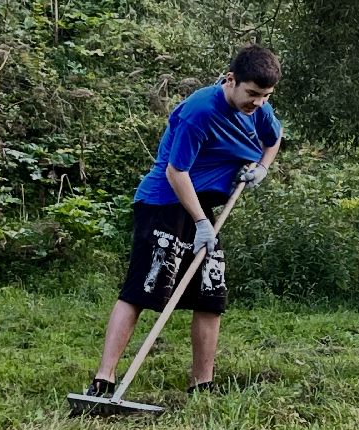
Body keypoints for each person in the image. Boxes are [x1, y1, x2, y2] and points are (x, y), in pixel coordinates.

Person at [84, 44, 282, 396]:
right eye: (252, 94)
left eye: (265, 96)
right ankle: (104, 379)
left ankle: (202, 383)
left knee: (210, 292)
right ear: (231, 79)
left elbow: (273, 137)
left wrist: (262, 168)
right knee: (143, 288)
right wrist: (200, 223)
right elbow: (177, 172)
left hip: (203, 204)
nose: (258, 102)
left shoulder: (259, 109)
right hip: (166, 200)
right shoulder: (200, 111)